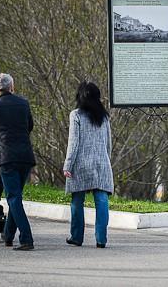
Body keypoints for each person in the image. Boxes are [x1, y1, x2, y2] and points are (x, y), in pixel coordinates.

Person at [0, 73, 36, 251]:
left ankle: (26, 238)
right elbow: (29, 126)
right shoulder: (23, 104)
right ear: (12, 87)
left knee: (13, 198)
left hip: (5, 157)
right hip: (25, 156)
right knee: (15, 197)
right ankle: (8, 234)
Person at [63, 81, 114, 248]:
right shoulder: (104, 117)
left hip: (81, 163)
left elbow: (73, 143)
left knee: (77, 200)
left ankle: (76, 237)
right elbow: (108, 143)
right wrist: (107, 160)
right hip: (101, 163)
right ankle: (101, 239)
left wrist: (68, 165)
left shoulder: (76, 115)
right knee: (101, 200)